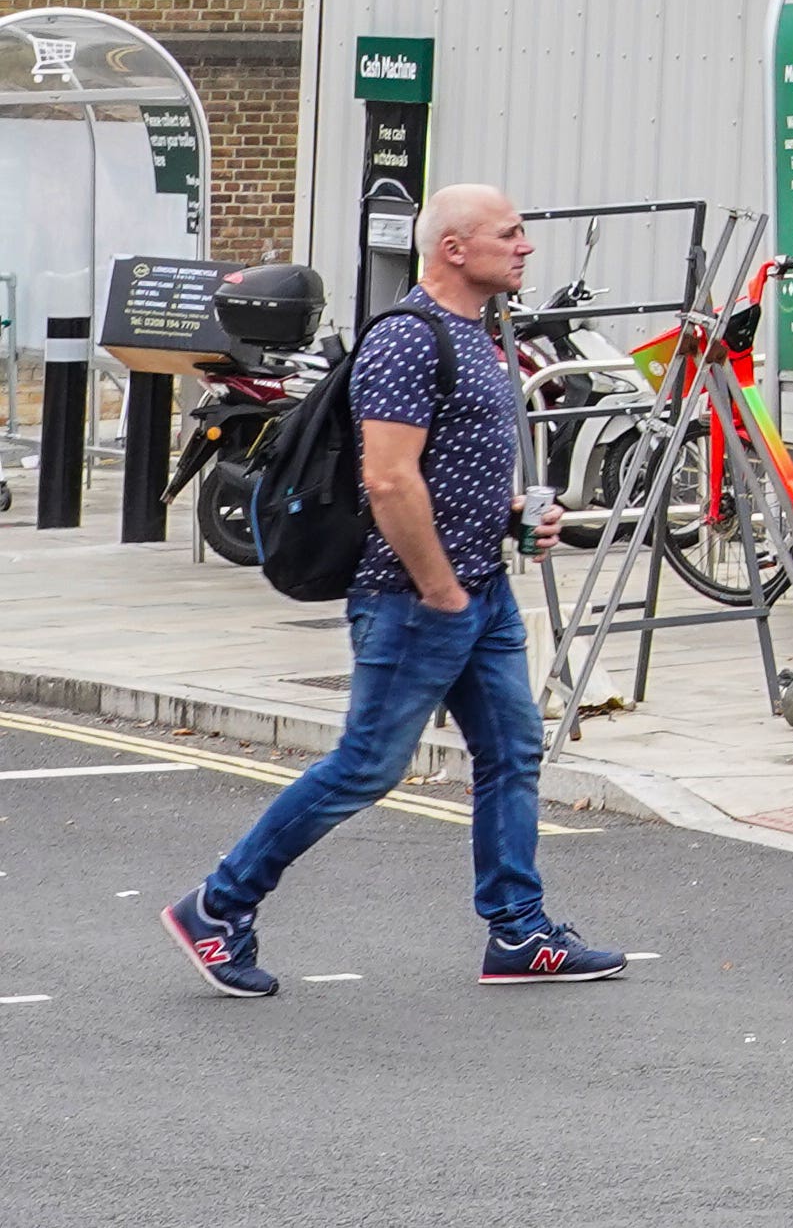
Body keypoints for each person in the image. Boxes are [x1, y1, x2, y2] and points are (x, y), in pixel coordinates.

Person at [168, 187, 626, 995]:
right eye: (508, 233)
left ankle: (518, 930)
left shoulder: (474, 336)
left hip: (475, 590)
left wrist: (517, 514)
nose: (525, 246)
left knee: (513, 753)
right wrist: (441, 588)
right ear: (454, 247)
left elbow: (447, 472)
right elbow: (387, 477)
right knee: (364, 766)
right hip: (417, 598)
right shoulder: (409, 341)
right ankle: (218, 903)